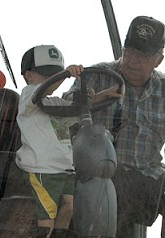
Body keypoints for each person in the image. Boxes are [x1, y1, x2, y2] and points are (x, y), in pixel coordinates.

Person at [64, 16, 165, 237]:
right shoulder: (97, 76)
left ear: (158, 60)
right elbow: (64, 113)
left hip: (147, 180)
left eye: (143, 56)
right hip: (102, 176)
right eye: (129, 51)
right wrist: (90, 100)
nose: (132, 61)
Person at [15, 45, 122, 238]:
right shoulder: (28, 96)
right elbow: (44, 89)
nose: (51, 79)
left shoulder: (54, 103)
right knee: (47, 216)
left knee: (69, 208)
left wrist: (103, 95)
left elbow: (77, 110)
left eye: (54, 74)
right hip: (43, 168)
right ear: (28, 75)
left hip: (64, 168)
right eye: (46, 74)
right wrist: (64, 74)